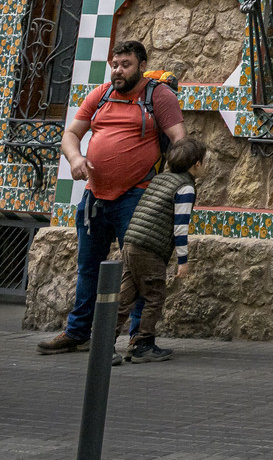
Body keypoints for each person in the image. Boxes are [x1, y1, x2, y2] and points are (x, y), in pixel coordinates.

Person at [36, 40, 184, 355]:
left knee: (139, 269)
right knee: (89, 267)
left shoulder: (158, 95)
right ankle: (78, 333)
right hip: (94, 198)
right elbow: (71, 134)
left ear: (142, 64)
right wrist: (75, 159)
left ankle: (139, 339)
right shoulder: (101, 94)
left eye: (125, 64)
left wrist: (171, 189)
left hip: (138, 196)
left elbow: (179, 142)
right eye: (114, 64)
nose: (117, 70)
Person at [109, 136, 206, 364]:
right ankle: (144, 344)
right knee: (154, 296)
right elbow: (180, 226)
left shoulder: (161, 178)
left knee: (125, 297)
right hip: (150, 249)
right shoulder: (185, 187)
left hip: (132, 242)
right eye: (204, 161)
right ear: (196, 164)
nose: (205, 165)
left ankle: (104, 342)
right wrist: (183, 260)